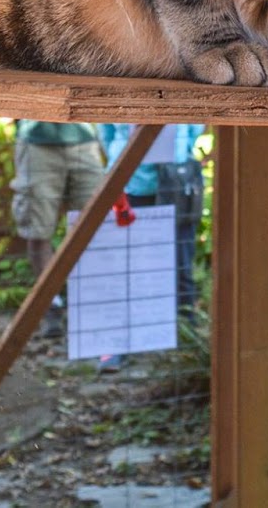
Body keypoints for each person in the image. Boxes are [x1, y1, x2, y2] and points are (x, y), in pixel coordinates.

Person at [93, 123, 207, 372]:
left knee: (181, 262)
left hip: (177, 180)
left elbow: (198, 122)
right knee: (125, 267)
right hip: (131, 183)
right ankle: (118, 343)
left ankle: (188, 339)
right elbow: (106, 131)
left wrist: (181, 149)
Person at [12, 119, 106, 337]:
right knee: (38, 231)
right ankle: (51, 307)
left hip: (84, 138)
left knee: (95, 230)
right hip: (36, 142)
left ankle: (92, 306)